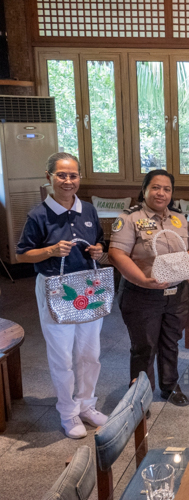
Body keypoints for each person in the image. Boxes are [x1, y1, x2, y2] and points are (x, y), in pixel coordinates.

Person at [16, 152, 107, 439]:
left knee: (90, 352)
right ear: (49, 177)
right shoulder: (38, 215)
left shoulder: (89, 210)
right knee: (62, 354)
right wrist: (51, 251)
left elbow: (101, 240)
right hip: (56, 289)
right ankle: (68, 412)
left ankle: (86, 404)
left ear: (80, 177)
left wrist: (99, 250)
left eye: (73, 175)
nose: (68, 181)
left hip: (88, 288)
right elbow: (22, 255)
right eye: (62, 175)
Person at [108, 170, 189, 406]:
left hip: (177, 293)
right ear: (145, 189)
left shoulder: (179, 218)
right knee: (144, 346)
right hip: (142, 293)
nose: (161, 193)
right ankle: (140, 397)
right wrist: (143, 280)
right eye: (156, 187)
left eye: (167, 189)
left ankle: (170, 386)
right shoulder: (129, 218)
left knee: (170, 341)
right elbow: (116, 254)